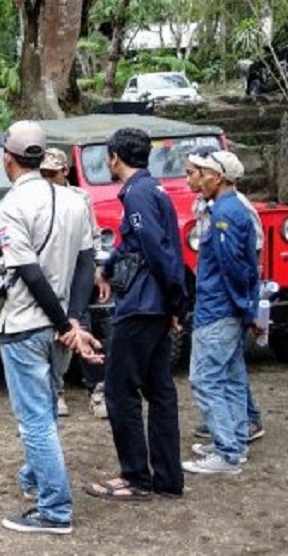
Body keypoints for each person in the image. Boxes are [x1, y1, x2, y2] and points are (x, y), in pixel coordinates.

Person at [0, 123, 102, 535]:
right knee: (46, 410)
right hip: (60, 328)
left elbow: (29, 272)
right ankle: (34, 479)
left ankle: (54, 510)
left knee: (34, 418)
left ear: (8, 157)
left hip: (25, 324)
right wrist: (72, 321)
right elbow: (88, 263)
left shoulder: (9, 207)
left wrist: (62, 323)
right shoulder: (76, 200)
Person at [88, 127, 189, 501]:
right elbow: (137, 242)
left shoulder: (139, 194)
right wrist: (109, 266)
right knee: (160, 389)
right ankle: (167, 477)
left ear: (114, 157)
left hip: (143, 306)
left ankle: (135, 477)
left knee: (120, 390)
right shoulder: (152, 191)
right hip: (156, 304)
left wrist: (177, 301)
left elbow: (159, 249)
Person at [182, 149, 258, 475]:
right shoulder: (229, 209)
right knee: (231, 376)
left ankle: (226, 453)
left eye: (203, 173)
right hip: (227, 309)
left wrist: (244, 307)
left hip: (218, 310)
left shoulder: (226, 214)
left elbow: (234, 267)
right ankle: (235, 443)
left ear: (220, 177)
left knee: (205, 378)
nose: (197, 179)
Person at [40, 147, 106, 420]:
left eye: (52, 174)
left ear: (65, 172)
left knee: (82, 325)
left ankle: (97, 390)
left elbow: (93, 236)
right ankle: (56, 392)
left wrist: (98, 269)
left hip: (75, 273)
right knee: (47, 332)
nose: (47, 179)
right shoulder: (37, 198)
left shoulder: (80, 198)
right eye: (43, 173)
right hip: (46, 276)